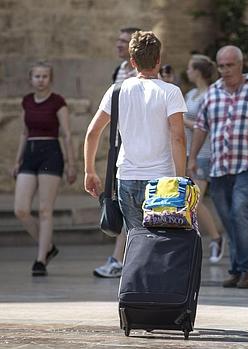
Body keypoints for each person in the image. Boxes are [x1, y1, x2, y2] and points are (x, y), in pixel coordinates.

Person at [189, 45, 248, 289]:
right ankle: (236, 268)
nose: (225, 70)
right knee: (228, 219)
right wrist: (192, 157)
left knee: (241, 210)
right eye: (221, 66)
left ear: (241, 65)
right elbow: (201, 127)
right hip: (219, 166)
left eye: (230, 65)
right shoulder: (211, 94)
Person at [84, 31, 187, 242]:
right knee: (161, 242)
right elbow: (178, 138)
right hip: (162, 180)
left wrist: (89, 171)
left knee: (136, 240)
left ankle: (134, 275)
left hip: (127, 178)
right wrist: (181, 179)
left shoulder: (117, 91)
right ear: (159, 60)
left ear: (132, 61)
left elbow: (93, 132)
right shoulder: (170, 92)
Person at [12, 61, 77, 276]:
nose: (40, 80)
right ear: (30, 79)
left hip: (51, 152)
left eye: (45, 76)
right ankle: (48, 246)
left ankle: (40, 259)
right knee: (21, 209)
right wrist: (17, 160)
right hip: (30, 153)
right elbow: (23, 132)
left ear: (51, 79)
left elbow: (66, 134)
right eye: (37, 76)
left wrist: (72, 164)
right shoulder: (27, 101)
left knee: (44, 210)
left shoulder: (58, 102)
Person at [93, 26, 141, 278]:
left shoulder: (139, 73)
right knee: (118, 200)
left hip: (135, 144)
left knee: (126, 202)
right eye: (118, 40)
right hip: (119, 142)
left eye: (124, 41)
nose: (118, 44)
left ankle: (119, 258)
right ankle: (120, 258)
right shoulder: (119, 71)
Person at [183, 54, 224, 263]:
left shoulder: (210, 95)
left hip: (204, 155)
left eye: (190, 68)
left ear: (198, 71)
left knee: (194, 200)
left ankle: (216, 238)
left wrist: (184, 121)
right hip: (188, 153)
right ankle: (191, 243)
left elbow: (206, 127)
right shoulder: (190, 94)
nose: (187, 71)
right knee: (186, 201)